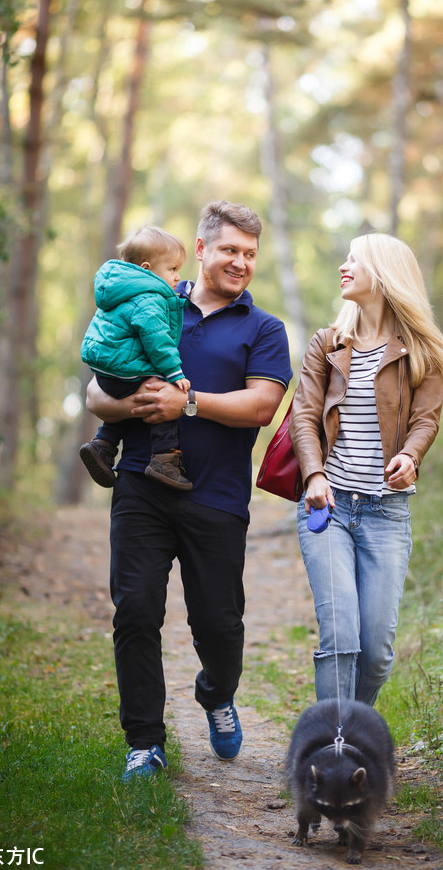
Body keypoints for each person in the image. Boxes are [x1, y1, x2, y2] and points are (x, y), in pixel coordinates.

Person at [85, 201, 292, 779]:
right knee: (136, 611)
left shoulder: (263, 328)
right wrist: (137, 405)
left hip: (219, 498)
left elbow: (262, 405)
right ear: (201, 250)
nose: (240, 262)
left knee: (220, 626)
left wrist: (190, 402)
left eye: (250, 254)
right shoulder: (153, 300)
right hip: (141, 487)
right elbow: (95, 396)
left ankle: (217, 695)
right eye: (230, 250)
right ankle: (144, 743)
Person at [289, 233, 443, 707]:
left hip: (387, 514)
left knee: (376, 653)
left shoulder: (422, 349)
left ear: (382, 274)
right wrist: (314, 473)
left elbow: (426, 419)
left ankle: (351, 730)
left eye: (354, 260)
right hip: (329, 506)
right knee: (341, 639)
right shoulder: (328, 344)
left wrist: (411, 456)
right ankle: (331, 754)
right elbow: (303, 414)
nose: (344, 266)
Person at [80, 225, 192, 491]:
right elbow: (157, 339)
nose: (178, 277)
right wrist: (175, 372)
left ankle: (103, 445)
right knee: (160, 391)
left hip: (107, 370)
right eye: (172, 269)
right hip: (124, 368)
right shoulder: (149, 297)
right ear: (147, 267)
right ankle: (164, 459)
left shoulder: (119, 289)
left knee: (129, 389)